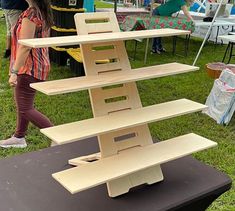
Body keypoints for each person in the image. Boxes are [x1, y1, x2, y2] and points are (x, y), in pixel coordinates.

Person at [0, 0, 54, 148]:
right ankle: (19, 137)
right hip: (39, 64)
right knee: (24, 103)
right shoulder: (41, 11)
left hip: (29, 67)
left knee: (25, 108)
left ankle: (57, 136)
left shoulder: (30, 15)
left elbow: (25, 47)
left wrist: (14, 72)